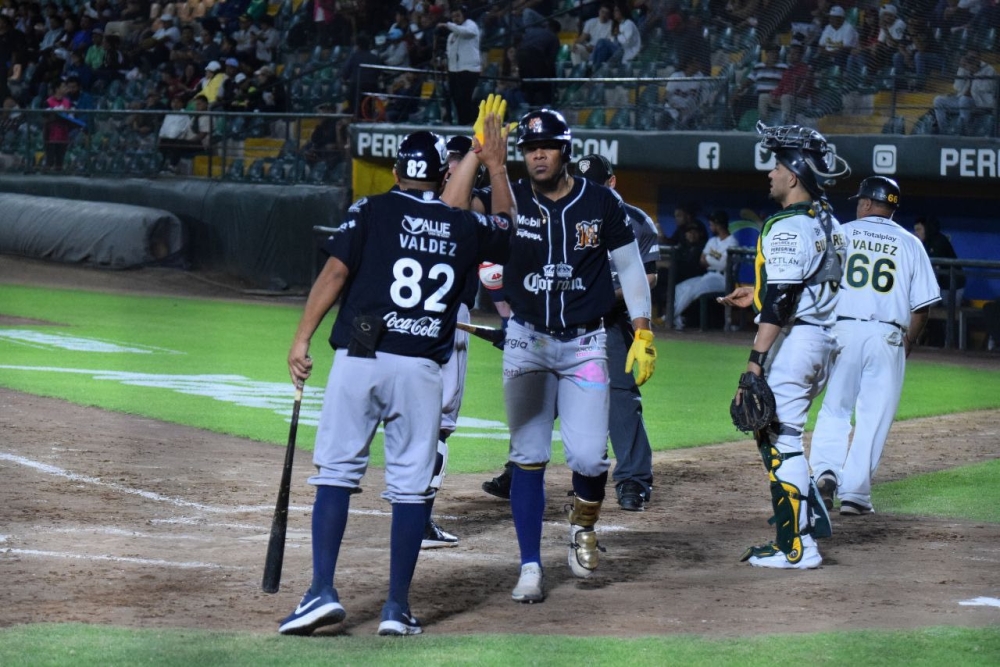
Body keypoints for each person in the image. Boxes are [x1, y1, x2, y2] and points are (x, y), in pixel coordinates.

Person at [278, 118, 516, 637]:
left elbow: (335, 273)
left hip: (360, 360)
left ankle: (321, 590)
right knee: (410, 489)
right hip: (422, 369)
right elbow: (508, 230)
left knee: (337, 474)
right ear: (441, 174)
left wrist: (301, 339)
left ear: (394, 171)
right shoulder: (463, 224)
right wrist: (495, 165)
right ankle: (395, 608)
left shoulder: (371, 209)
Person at [458, 109, 657, 602]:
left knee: (590, 457)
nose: (537, 154)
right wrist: (476, 155)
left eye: (546, 146)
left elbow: (631, 270)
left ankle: (583, 524)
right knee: (528, 455)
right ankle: (529, 565)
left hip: (586, 343)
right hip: (528, 340)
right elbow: (455, 210)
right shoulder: (512, 199)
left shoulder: (602, 201)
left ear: (565, 150)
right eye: (529, 147)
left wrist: (642, 333)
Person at [719, 120, 850, 569]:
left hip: (796, 342)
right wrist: (753, 296)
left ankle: (795, 548)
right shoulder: (825, 219)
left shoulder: (790, 225)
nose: (770, 174)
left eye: (776, 167)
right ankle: (807, 514)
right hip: (819, 339)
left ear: (793, 175)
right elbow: (790, 289)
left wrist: (755, 362)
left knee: (781, 439)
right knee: (772, 433)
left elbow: (782, 299)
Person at [809, 177, 940, 517]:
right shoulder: (911, 243)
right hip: (887, 334)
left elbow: (818, 287)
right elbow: (922, 306)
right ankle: (855, 495)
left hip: (841, 330)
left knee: (835, 409)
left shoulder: (842, 233)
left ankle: (824, 472)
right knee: (873, 417)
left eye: (859, 201)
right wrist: (907, 342)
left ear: (867, 203)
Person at [576, 154, 660, 511]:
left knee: (622, 398)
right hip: (564, 321)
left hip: (611, 321)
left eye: (596, 184)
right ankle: (517, 473)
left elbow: (649, 276)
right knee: (540, 391)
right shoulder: (569, 214)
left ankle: (633, 481)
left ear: (611, 183)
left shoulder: (637, 221)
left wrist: (599, 298)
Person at [420, 134, 490, 550]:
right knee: (440, 424)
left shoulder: (408, 202)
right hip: (449, 320)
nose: (453, 167)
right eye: (451, 162)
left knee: (418, 421)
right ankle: (420, 518)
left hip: (408, 320)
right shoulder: (458, 209)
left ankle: (413, 513)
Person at [672, 209, 739, 331]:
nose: (710, 226)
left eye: (712, 224)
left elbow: (723, 266)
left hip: (723, 280)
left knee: (693, 289)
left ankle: (669, 317)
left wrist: (710, 259)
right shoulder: (712, 240)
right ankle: (677, 320)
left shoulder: (732, 242)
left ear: (718, 224)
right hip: (709, 276)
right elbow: (702, 260)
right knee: (680, 287)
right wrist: (715, 261)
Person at [932, 50, 997, 134]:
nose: (971, 60)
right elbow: (957, 87)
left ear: (979, 58)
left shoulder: (988, 69)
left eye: (974, 58)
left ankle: (964, 130)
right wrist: (962, 68)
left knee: (964, 99)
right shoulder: (965, 67)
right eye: (969, 58)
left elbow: (988, 87)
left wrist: (975, 72)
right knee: (938, 100)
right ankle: (943, 131)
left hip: (981, 103)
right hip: (962, 101)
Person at [914, 215, 967, 310]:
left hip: (952, 285)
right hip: (942, 285)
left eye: (919, 229)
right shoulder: (925, 243)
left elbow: (934, 268)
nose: (916, 233)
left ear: (927, 228)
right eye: (915, 230)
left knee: (950, 313)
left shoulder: (939, 241)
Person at [757, 41, 813, 125]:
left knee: (785, 97)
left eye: (794, 54)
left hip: (801, 101)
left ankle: (787, 125)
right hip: (786, 100)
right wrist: (774, 95)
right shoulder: (788, 70)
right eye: (790, 53)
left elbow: (803, 90)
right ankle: (764, 124)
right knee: (763, 97)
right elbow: (781, 86)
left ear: (800, 56)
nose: (791, 56)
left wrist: (783, 96)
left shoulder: (806, 69)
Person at [442, 4, 480, 125]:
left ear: (464, 15)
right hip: (454, 70)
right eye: (453, 16)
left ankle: (467, 123)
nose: (455, 18)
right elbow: (449, 51)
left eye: (457, 15)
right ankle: (460, 123)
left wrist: (448, 25)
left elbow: (466, 33)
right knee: (455, 98)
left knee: (465, 98)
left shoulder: (471, 25)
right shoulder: (452, 35)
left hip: (469, 69)